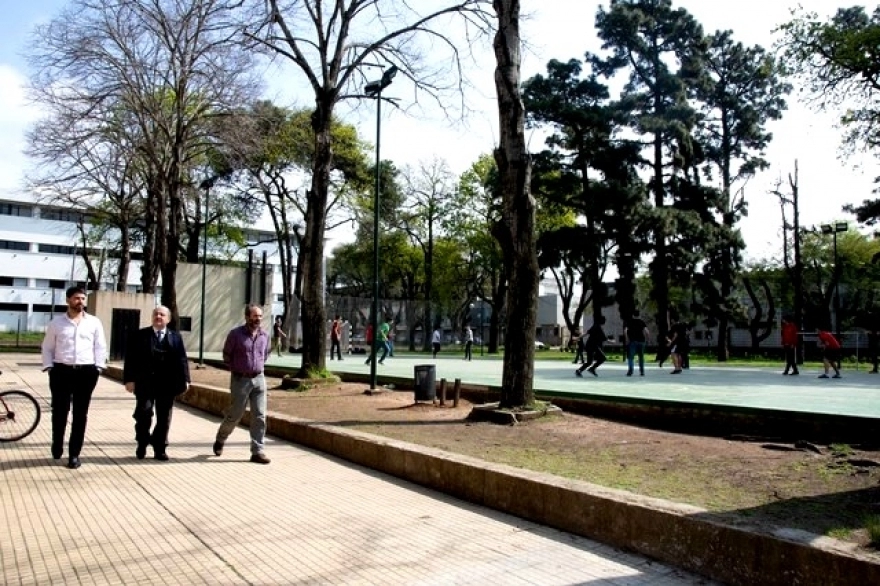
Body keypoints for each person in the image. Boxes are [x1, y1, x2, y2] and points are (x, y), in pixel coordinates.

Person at [41, 286, 107, 469]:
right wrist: (49, 367)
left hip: (86, 372)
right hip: (61, 371)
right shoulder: (56, 323)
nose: (81, 302)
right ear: (68, 300)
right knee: (60, 411)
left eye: (83, 298)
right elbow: (47, 347)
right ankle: (57, 443)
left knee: (80, 414)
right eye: (77, 298)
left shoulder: (94, 322)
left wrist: (98, 368)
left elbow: (100, 346)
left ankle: (74, 454)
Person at [123, 306, 190, 461]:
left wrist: (186, 379)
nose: (158, 316)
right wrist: (129, 380)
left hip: (167, 385)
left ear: (168, 319)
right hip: (144, 383)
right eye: (156, 314)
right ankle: (142, 441)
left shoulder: (175, 337)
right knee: (143, 414)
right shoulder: (140, 335)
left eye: (162, 314)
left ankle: (160, 447)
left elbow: (182, 360)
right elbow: (131, 359)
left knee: (164, 418)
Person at [213, 304, 272, 464]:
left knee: (260, 416)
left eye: (260, 316)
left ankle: (257, 451)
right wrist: (238, 370)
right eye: (254, 316)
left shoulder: (265, 336)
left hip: (259, 379)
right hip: (240, 380)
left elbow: (265, 354)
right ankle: (221, 438)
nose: (257, 319)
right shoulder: (235, 335)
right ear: (247, 317)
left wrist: (256, 367)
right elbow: (226, 355)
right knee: (235, 415)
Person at [624, 311, 649, 377]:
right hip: (641, 341)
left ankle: (630, 371)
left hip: (632, 341)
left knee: (630, 357)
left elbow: (625, 330)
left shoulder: (629, 321)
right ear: (639, 315)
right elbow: (647, 332)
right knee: (641, 357)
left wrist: (627, 339)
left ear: (633, 315)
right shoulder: (642, 322)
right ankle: (642, 371)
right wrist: (647, 340)